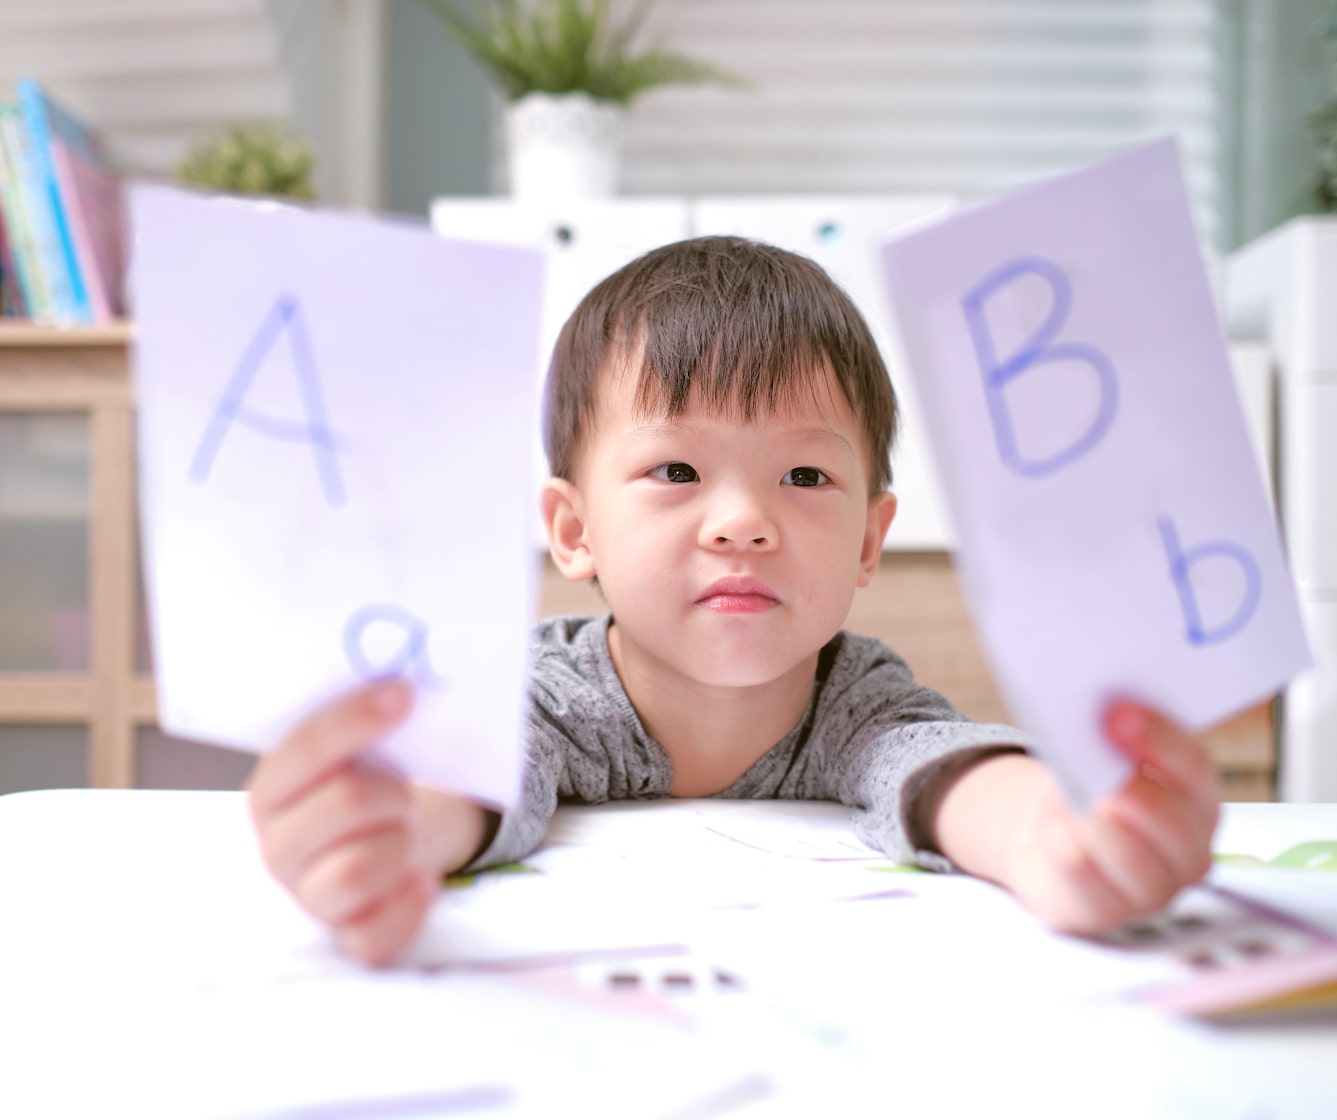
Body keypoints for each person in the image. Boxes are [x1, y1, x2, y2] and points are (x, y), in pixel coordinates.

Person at [248, 237, 1221, 967]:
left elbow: (946, 771)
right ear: (574, 527)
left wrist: (1056, 835)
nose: (745, 521)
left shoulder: (858, 701)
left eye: (804, 475)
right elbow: (473, 774)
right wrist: (381, 832)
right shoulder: (546, 692)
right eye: (676, 468)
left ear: (870, 540)